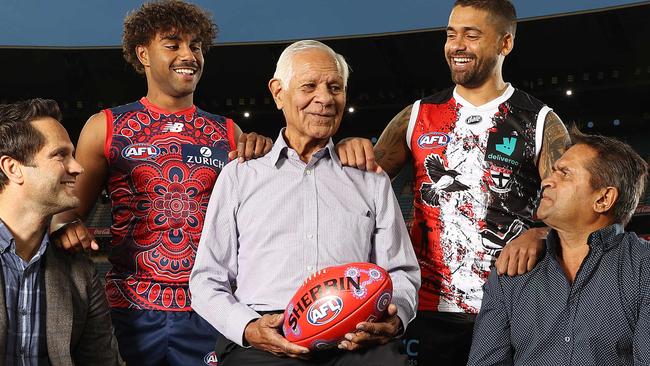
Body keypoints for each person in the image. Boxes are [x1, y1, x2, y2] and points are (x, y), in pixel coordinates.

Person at [335, 0, 571, 364]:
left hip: (512, 305)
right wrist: (349, 148)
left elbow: (575, 207)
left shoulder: (539, 120)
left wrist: (540, 232)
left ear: (504, 44)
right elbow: (358, 194)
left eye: (471, 35)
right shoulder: (417, 115)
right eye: (451, 34)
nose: (456, 45)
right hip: (427, 308)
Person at [50, 1, 272, 364]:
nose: (189, 54)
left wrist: (262, 153)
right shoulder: (104, 126)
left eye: (196, 46)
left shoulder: (229, 132)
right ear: (143, 54)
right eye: (173, 44)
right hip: (127, 310)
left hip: (208, 309)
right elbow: (64, 210)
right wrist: (66, 225)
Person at [189, 40, 421, 365]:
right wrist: (247, 327)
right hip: (264, 334)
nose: (324, 99)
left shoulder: (371, 178)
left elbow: (401, 270)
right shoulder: (240, 176)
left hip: (352, 334)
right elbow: (206, 279)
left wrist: (394, 319)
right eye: (309, 86)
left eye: (335, 87)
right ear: (278, 92)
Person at [468, 129, 649, 365]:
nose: (546, 181)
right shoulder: (511, 270)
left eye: (564, 173)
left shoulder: (643, 269)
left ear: (603, 199)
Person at [0, 99, 119, 365]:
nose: (78, 167)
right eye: (60, 155)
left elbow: (101, 360)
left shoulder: (80, 271)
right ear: (12, 168)